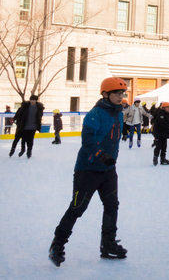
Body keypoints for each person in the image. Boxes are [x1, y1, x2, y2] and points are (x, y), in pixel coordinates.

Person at [49, 77, 128, 267]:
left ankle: (108, 244)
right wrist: (102, 155)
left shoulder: (118, 113)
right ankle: (57, 245)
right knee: (77, 208)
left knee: (112, 206)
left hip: (108, 170)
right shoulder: (95, 114)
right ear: (105, 94)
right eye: (116, 93)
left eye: (122, 93)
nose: (120, 96)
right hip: (88, 170)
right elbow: (88, 142)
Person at [9, 94, 44, 158]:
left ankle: (29, 151)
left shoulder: (39, 108)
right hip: (24, 126)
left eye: (34, 100)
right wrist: (14, 119)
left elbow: (39, 117)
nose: (32, 101)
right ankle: (13, 149)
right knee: (20, 139)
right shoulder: (25, 106)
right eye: (31, 100)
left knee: (30, 140)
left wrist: (38, 124)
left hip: (33, 127)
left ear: (36, 100)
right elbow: (18, 113)